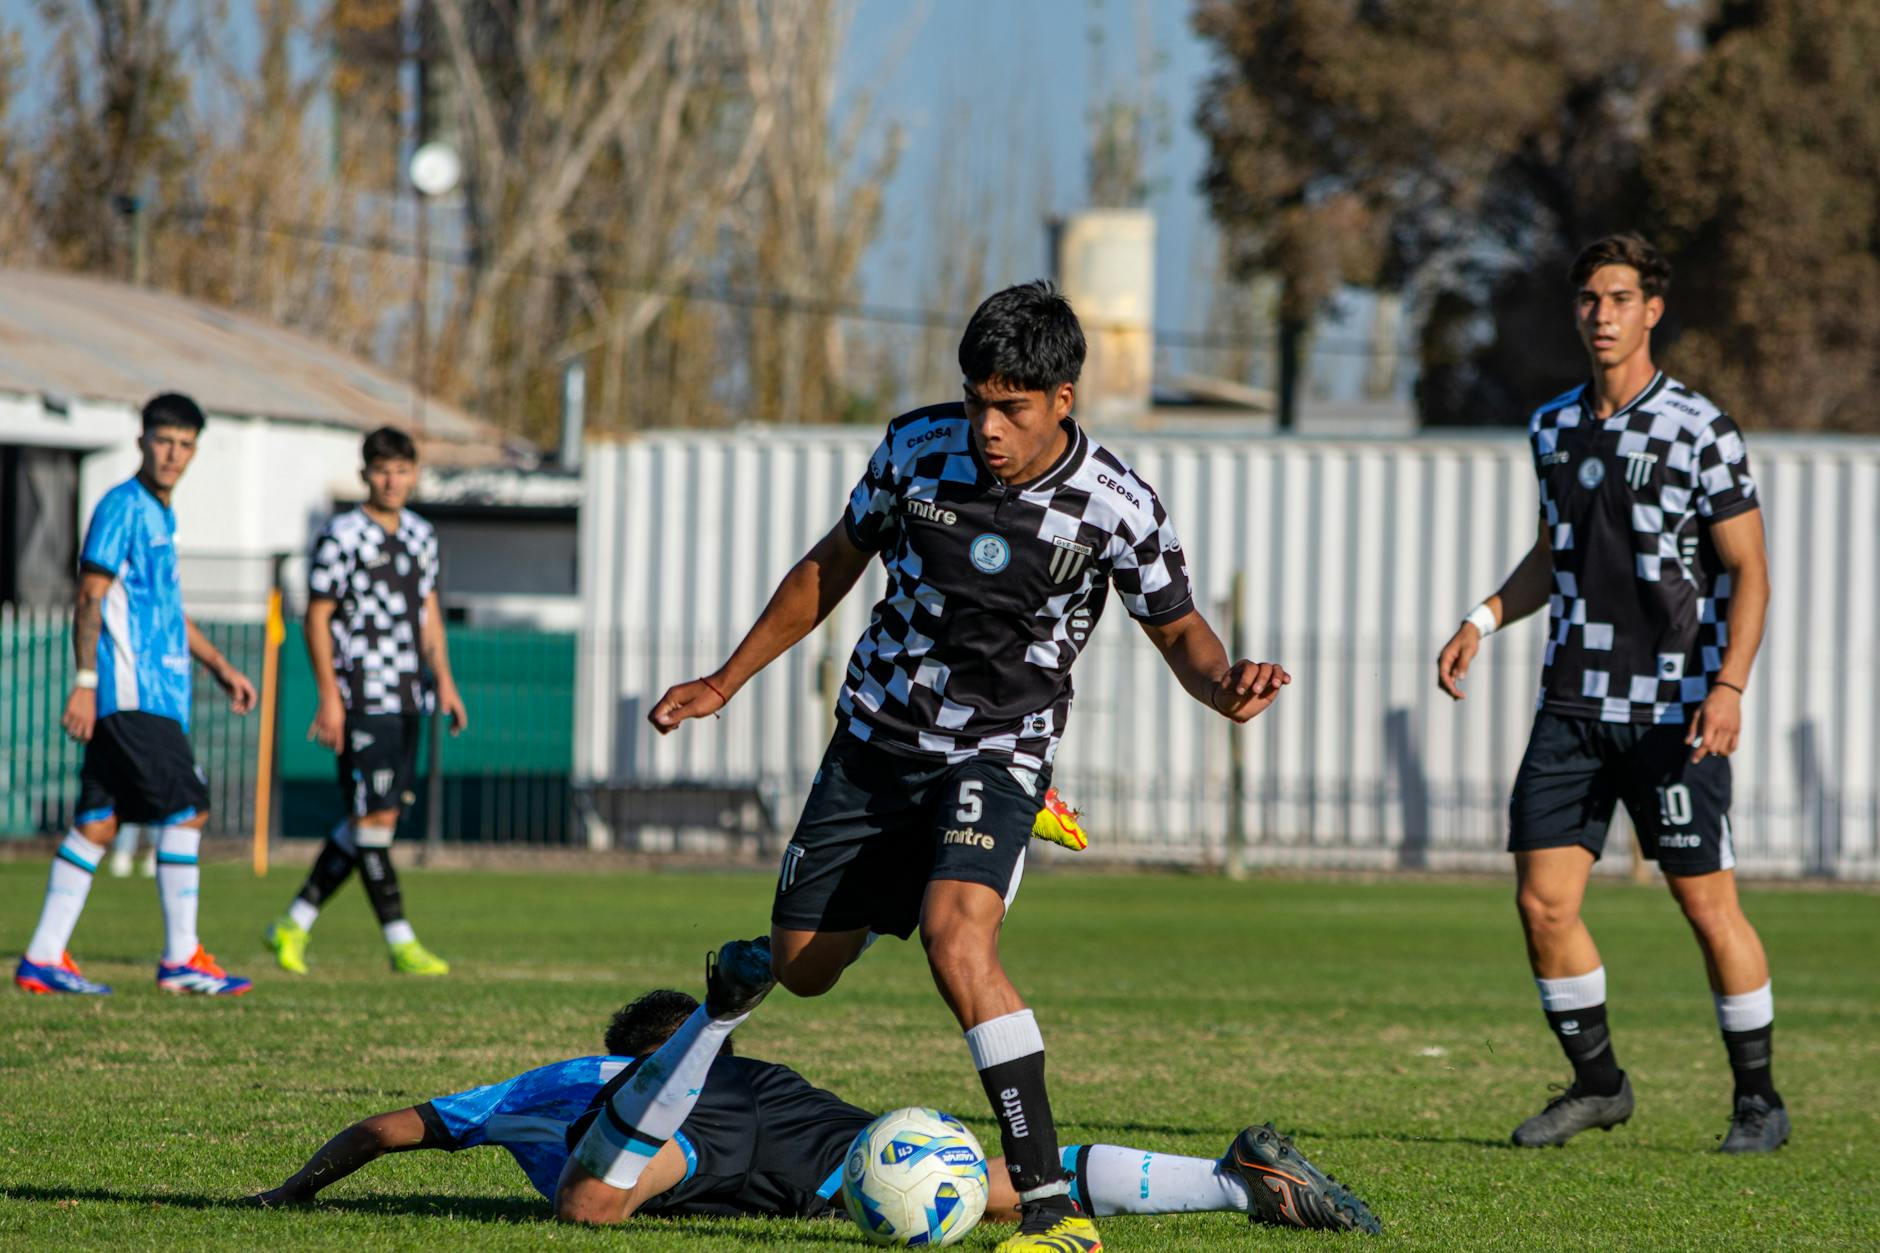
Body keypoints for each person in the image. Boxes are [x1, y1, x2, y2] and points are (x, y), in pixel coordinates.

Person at [605, 281, 1293, 1252]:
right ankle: (853, 905)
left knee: (956, 940)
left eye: (1011, 407)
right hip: (876, 739)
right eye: (976, 401)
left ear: (1062, 398)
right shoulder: (915, 449)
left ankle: (1053, 1210)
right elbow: (829, 565)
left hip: (998, 751)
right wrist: (725, 679)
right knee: (803, 969)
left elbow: (1179, 628)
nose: (987, 427)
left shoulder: (1116, 505)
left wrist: (1224, 685)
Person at [1436, 233, 1786, 1153]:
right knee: (1542, 904)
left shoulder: (1700, 427)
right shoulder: (1553, 425)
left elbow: (1750, 570)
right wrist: (1481, 617)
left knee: (1707, 906)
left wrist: (1729, 684)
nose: (1603, 314)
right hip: (1573, 706)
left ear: (1652, 310)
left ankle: (1759, 1100)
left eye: (1621, 298)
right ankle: (1599, 1085)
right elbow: (1556, 551)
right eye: (1590, 298)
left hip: (1675, 709)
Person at [253, 978, 1379, 1236]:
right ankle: (1233, 1182)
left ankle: (707, 1027)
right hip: (799, 1114)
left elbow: (388, 1127)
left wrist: (294, 1189)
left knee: (590, 1206)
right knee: (1002, 1185)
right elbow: (390, 1129)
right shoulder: (759, 1079)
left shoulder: (552, 1084)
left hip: (708, 1118)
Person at [14, 392, 256, 996]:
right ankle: (181, 958)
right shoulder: (123, 506)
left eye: (184, 445)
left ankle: (42, 957)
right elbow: (88, 596)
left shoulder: (161, 515)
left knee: (98, 823)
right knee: (188, 807)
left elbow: (166, 612)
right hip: (131, 691)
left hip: (153, 692)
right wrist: (85, 682)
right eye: (163, 441)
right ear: (141, 441)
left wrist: (219, 665)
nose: (173, 454)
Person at [265, 427, 465, 977]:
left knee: (375, 819)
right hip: (361, 695)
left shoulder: (422, 535)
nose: (392, 480)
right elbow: (317, 617)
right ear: (364, 475)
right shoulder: (341, 535)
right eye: (382, 470)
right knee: (372, 824)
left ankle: (293, 922)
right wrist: (329, 697)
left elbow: (428, 613)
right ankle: (401, 942)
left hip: (408, 695)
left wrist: (445, 681)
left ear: (414, 474)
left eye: (401, 470)